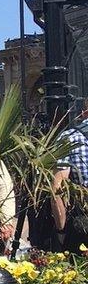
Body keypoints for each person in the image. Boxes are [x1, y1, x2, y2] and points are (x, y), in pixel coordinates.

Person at [53, 100, 88, 251]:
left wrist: (61, 230)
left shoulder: (70, 137)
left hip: (83, 222)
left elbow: (57, 188)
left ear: (84, 111)